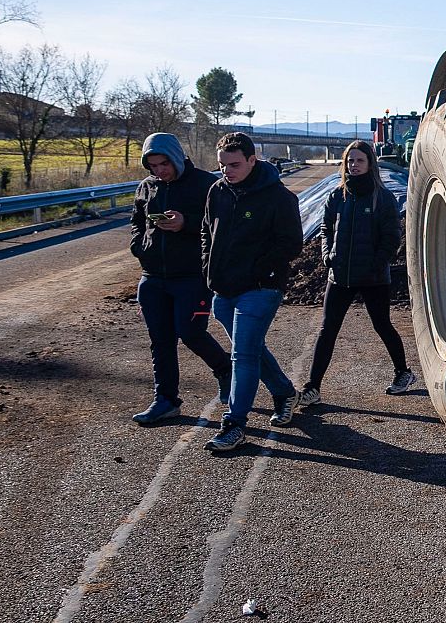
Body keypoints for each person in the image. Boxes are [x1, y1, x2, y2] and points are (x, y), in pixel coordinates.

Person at [202, 131, 302, 452]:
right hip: (223, 288)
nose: (226, 171)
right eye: (222, 165)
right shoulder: (217, 191)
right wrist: (208, 268)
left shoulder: (278, 197)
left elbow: (292, 244)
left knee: (242, 355)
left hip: (261, 288)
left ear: (251, 160)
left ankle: (234, 424)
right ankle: (284, 392)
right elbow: (206, 232)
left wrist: (260, 268)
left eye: (233, 165)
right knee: (251, 348)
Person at [298, 140, 415, 407]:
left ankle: (403, 372)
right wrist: (327, 254)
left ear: (370, 163)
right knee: (327, 329)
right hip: (340, 275)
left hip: (373, 278)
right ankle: (312, 387)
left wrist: (377, 263)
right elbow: (326, 228)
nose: (354, 165)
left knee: (382, 325)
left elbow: (392, 237)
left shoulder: (382, 198)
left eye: (359, 160)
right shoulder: (337, 196)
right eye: (350, 160)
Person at [127, 133, 232, 425]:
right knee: (160, 340)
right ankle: (166, 400)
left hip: (191, 276)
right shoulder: (146, 186)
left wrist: (186, 223)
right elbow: (137, 221)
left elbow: (222, 224)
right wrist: (139, 247)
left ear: (176, 157)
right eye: (153, 165)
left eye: (164, 164)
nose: (159, 170)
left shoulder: (205, 184)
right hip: (152, 276)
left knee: (191, 333)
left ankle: (225, 368)